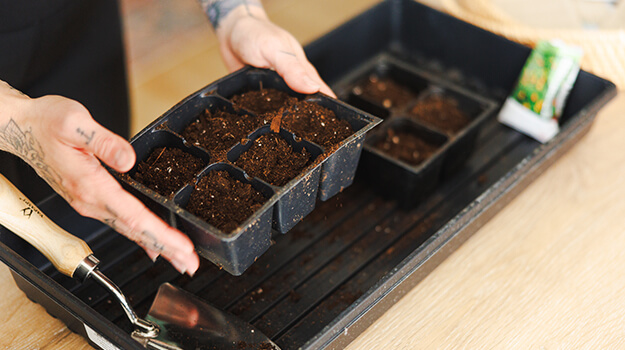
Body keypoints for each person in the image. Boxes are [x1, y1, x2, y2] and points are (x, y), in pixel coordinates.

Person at [0, 0, 333, 276]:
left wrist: (237, 15)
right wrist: (16, 121)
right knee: (12, 258)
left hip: (77, 19)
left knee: (96, 193)